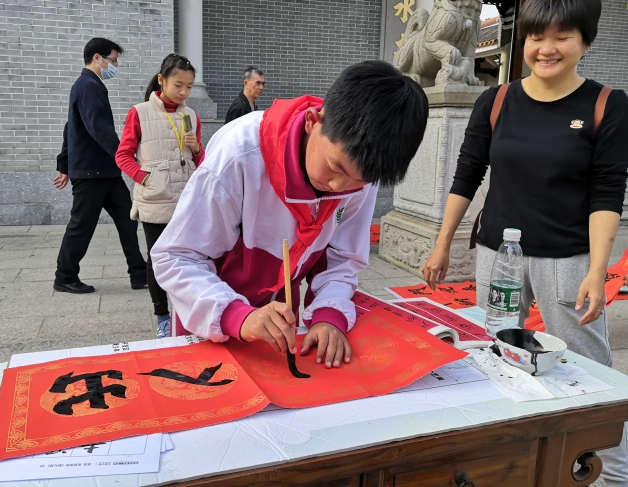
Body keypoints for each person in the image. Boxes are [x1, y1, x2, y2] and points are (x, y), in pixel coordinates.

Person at [421, 0, 628, 485]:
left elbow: (607, 193)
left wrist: (598, 270)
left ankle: (612, 473)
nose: (546, 48)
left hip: (567, 257)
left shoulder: (606, 105)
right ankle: (509, 457)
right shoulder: (496, 100)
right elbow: (467, 175)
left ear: (585, 42)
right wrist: (443, 243)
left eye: (562, 36)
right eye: (536, 36)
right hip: (499, 254)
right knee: (498, 353)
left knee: (587, 364)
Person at [152, 60, 428, 368]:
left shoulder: (362, 174)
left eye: (359, 181)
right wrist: (236, 315)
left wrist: (329, 315)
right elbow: (177, 257)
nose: (339, 188)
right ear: (313, 122)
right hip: (211, 315)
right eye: (334, 167)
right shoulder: (240, 154)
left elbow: (343, 259)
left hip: (280, 323)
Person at [116, 53, 204, 338]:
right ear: (161, 80)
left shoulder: (191, 116)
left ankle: (186, 313)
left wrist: (197, 148)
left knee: (189, 259)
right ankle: (162, 317)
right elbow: (123, 155)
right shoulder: (140, 112)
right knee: (157, 259)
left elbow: (199, 161)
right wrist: (146, 178)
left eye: (189, 86)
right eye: (178, 85)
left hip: (186, 201)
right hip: (155, 199)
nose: (184, 92)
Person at [53, 37, 147, 294]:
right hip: (91, 172)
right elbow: (99, 128)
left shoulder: (88, 85)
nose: (114, 65)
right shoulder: (88, 86)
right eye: (113, 60)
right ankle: (65, 276)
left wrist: (64, 164)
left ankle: (139, 273)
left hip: (105, 172)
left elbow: (70, 127)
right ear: (97, 57)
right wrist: (124, 155)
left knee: (128, 219)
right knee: (82, 226)